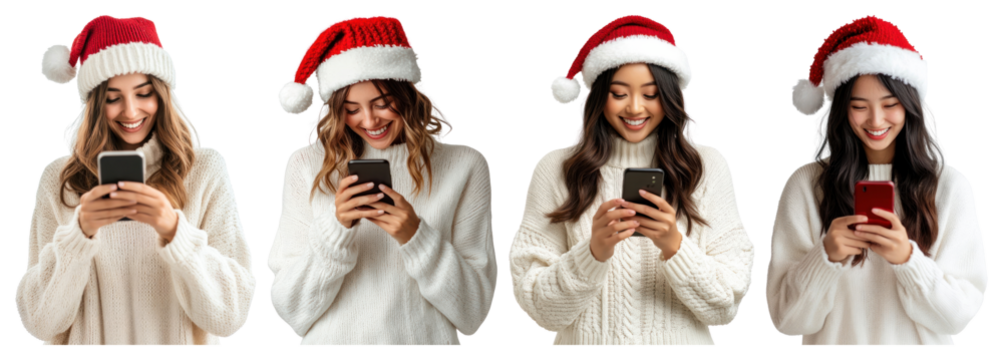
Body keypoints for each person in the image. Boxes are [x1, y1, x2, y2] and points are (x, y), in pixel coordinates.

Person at [509, 14, 756, 347]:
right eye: (619, 93)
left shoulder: (707, 166)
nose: (636, 108)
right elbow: (538, 307)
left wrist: (674, 245)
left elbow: (726, 306)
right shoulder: (556, 169)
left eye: (651, 94)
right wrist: (593, 251)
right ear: (598, 97)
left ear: (670, 98)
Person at [19, 14, 256, 347]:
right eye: (114, 98)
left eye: (144, 93)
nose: (131, 112)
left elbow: (230, 317)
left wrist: (174, 230)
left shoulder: (204, 170)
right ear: (95, 106)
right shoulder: (58, 179)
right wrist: (78, 236)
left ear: (162, 95)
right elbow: (39, 322)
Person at [267, 14, 497, 347]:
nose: (369, 120)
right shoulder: (306, 164)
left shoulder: (464, 165)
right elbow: (292, 311)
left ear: (408, 95)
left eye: (382, 103)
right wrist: (336, 228)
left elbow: (473, 314)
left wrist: (415, 235)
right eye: (351, 108)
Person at [767, 14, 987, 346]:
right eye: (859, 106)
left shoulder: (950, 186)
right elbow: (786, 320)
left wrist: (908, 260)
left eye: (890, 104)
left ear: (911, 106)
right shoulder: (807, 185)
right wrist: (826, 256)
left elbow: (959, 317)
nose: (876, 120)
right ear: (842, 110)